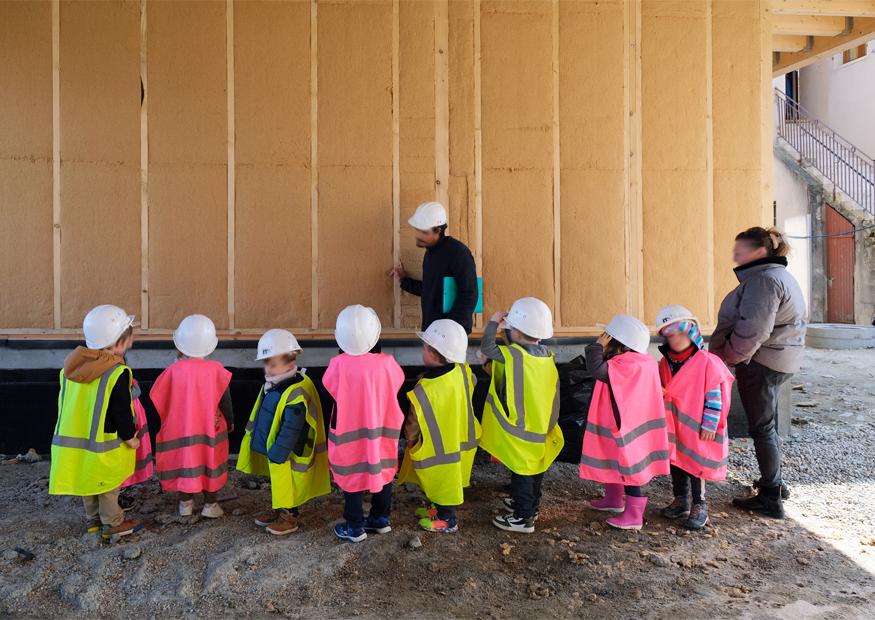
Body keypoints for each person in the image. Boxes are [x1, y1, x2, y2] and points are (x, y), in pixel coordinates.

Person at [710, 227, 806, 519]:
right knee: (768, 425)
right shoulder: (776, 275)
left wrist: (729, 357)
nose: (735, 256)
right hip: (779, 360)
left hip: (761, 363)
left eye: (740, 251)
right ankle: (773, 482)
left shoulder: (763, 281)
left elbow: (754, 330)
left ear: (759, 252)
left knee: (761, 428)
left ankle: (770, 497)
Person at [49, 305, 143, 539]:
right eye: (129, 337)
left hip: (77, 441)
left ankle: (94, 521)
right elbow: (120, 410)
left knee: (88, 482)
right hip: (104, 442)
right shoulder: (116, 372)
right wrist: (130, 437)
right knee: (108, 486)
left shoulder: (71, 369)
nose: (131, 341)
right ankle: (114, 523)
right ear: (119, 342)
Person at [479, 297, 563, 534]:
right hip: (541, 426)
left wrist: (494, 322)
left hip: (520, 429)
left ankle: (523, 518)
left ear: (514, 332)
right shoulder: (546, 354)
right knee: (536, 469)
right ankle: (530, 506)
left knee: (522, 472)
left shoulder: (511, 355)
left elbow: (487, 348)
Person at [323, 305, 405, 543]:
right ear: (375, 335)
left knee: (352, 477)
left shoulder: (338, 364)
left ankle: (354, 526)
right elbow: (396, 388)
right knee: (383, 474)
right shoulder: (388, 363)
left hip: (348, 436)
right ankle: (380, 520)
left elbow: (328, 394)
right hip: (382, 435)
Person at [236, 330, 331, 535]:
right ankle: (281, 508)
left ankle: (290, 517)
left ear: (289, 365)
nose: (268, 369)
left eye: (273, 364)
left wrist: (278, 453)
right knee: (280, 482)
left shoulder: (295, 390)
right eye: (266, 363)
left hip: (289, 451)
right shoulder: (276, 384)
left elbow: (291, 428)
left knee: (290, 483)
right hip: (278, 448)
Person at [580, 314, 668, 531]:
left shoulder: (628, 364)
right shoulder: (643, 360)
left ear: (618, 342)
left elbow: (596, 369)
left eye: (606, 337)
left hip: (626, 426)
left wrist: (596, 346)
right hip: (624, 422)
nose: (603, 339)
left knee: (629, 469)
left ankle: (634, 516)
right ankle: (613, 500)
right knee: (616, 460)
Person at [655, 305, 733, 530]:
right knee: (677, 462)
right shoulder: (665, 362)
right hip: (674, 426)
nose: (676, 340)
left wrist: (710, 424)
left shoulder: (707, 361)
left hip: (698, 427)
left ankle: (700, 505)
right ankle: (681, 500)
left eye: (681, 333)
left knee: (696, 466)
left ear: (692, 333)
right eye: (671, 336)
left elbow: (714, 395)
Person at [398, 319, 480, 533]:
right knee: (446, 482)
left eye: (424, 348)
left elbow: (413, 423)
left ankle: (447, 520)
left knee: (444, 483)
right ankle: (437, 510)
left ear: (432, 355)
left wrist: (411, 437)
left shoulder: (424, 389)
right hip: (462, 442)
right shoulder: (464, 372)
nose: (422, 352)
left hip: (439, 450)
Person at [150, 314, 233, 518]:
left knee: (184, 462)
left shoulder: (172, 371)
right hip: (210, 429)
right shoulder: (217, 370)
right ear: (210, 346)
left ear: (180, 345)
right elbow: (226, 400)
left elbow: (159, 398)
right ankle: (210, 506)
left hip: (181, 430)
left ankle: (185, 505)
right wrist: (229, 421)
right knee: (211, 461)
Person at [388, 201, 478, 334]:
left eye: (423, 232)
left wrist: (449, 329)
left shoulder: (458, 252)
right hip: (432, 332)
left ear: (438, 231)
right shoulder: (431, 253)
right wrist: (404, 281)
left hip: (450, 335)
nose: (418, 236)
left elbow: (470, 294)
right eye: (417, 230)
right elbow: (431, 289)